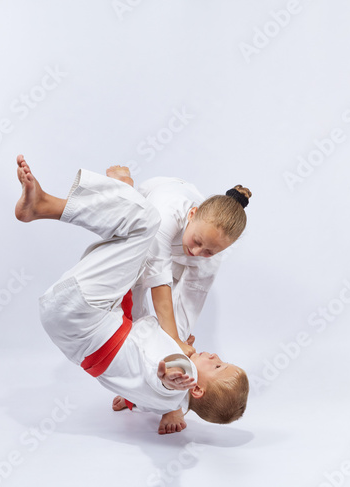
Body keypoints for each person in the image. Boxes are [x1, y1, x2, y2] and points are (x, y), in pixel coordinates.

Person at [14, 155, 249, 434]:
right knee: (144, 251)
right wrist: (144, 401)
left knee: (145, 222)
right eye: (198, 243)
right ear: (192, 214)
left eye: (218, 365)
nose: (213, 356)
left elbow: (170, 367)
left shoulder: (180, 375)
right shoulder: (170, 204)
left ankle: (51, 204)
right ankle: (123, 192)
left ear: (196, 388)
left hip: (84, 315)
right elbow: (152, 380)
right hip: (77, 323)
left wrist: (172, 372)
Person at [126, 173, 252, 359]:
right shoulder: (166, 211)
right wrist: (173, 338)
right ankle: (123, 184)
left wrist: (177, 346)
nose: (197, 251)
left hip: (177, 242)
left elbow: (189, 304)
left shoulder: (211, 256)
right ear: (192, 214)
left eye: (209, 251)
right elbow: (158, 280)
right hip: (146, 211)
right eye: (197, 241)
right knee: (134, 281)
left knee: (171, 335)